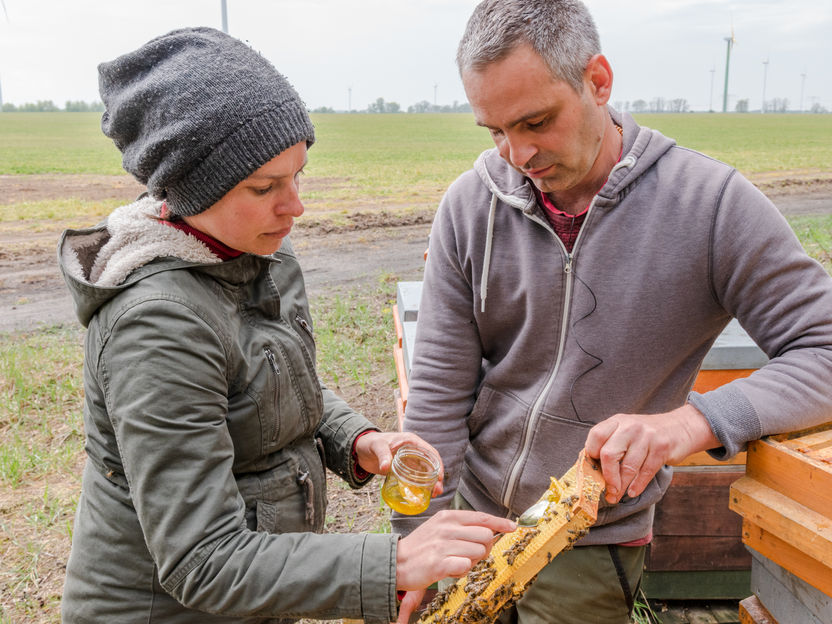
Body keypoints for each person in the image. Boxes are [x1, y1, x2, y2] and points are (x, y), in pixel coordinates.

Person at [392, 1, 832, 622]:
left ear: (598, 81)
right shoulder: (469, 207)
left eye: (536, 122)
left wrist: (689, 424)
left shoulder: (710, 205)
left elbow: (825, 349)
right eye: (495, 131)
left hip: (590, 542)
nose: (516, 154)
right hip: (471, 517)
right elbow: (436, 394)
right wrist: (417, 537)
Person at [58, 27, 515, 624]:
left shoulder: (255, 252)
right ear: (193, 188)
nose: (294, 205)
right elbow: (204, 560)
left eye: (298, 174)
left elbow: (268, 383)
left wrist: (357, 439)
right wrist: (391, 565)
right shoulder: (157, 324)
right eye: (264, 186)